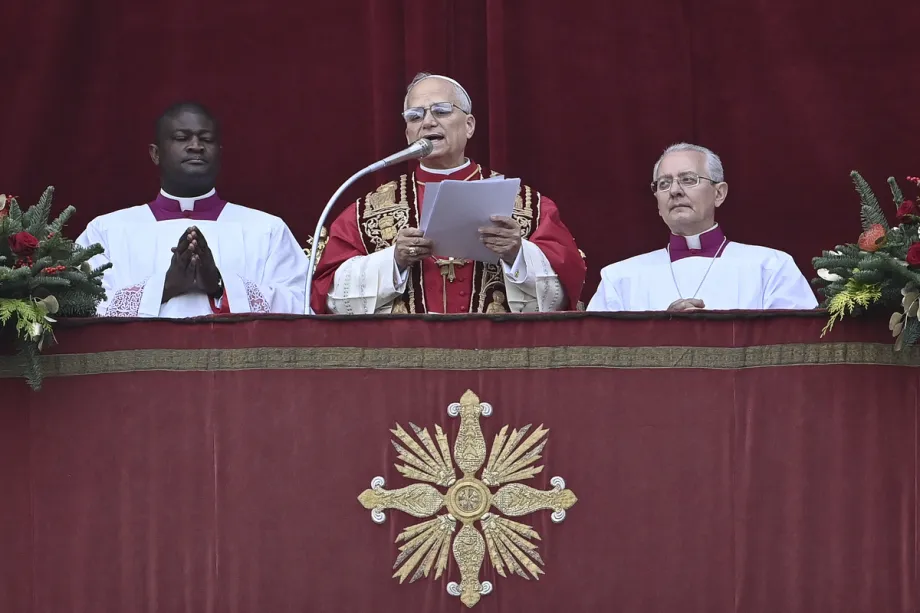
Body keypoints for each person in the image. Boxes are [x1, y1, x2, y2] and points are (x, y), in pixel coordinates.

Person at [311, 73, 585, 314]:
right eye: (415, 116)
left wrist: (517, 254)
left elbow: (567, 291)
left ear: (469, 125)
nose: (428, 122)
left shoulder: (527, 205)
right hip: (404, 362)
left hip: (497, 360)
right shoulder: (367, 210)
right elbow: (328, 296)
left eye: (441, 111)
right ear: (408, 133)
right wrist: (394, 261)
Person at [76, 101, 308, 317]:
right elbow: (78, 305)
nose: (196, 146)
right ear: (155, 153)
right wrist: (165, 287)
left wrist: (220, 285)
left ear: (219, 152)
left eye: (206, 139)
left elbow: (302, 304)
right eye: (181, 137)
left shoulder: (267, 229)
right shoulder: (106, 231)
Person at [587, 143, 817, 312]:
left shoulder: (772, 267)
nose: (675, 191)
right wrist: (658, 333)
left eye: (688, 179)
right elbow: (596, 360)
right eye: (664, 183)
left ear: (719, 193)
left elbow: (794, 350)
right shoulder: (619, 278)